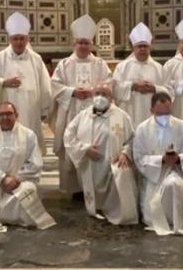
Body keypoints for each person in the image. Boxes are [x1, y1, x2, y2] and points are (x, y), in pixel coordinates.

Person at [51, 15, 113, 194]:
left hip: (96, 114)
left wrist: (94, 91)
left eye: (87, 43)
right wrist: (72, 92)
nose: (84, 46)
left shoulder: (100, 64)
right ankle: (74, 189)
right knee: (71, 145)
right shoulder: (64, 64)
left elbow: (108, 83)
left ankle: (94, 186)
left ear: (92, 45)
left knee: (94, 144)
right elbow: (55, 85)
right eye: (81, 43)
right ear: (74, 44)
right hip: (71, 112)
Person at [0, 101, 55, 231]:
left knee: (27, 191)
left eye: (9, 114)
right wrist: (3, 178)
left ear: (16, 115)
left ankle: (20, 219)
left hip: (22, 182)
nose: (5, 118)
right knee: (0, 201)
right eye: (1, 114)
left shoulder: (29, 135)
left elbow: (35, 162)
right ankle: (5, 216)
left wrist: (17, 179)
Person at [63, 93, 138, 224]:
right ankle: (95, 207)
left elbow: (132, 139)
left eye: (105, 94)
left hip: (112, 164)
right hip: (89, 164)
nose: (100, 97)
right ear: (92, 96)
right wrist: (84, 149)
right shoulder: (82, 115)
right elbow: (68, 135)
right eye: (97, 93)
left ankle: (113, 209)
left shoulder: (122, 116)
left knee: (121, 175)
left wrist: (125, 153)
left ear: (111, 97)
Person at [132, 90, 183, 236]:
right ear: (151, 110)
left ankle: (176, 219)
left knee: (173, 183)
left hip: (175, 170)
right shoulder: (142, 129)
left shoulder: (181, 126)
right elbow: (138, 157)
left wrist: (178, 158)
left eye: (167, 114)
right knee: (155, 203)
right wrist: (160, 160)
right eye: (160, 114)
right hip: (153, 175)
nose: (164, 118)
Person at [0, 12, 54, 147]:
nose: (19, 42)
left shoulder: (36, 59)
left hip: (31, 110)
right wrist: (3, 82)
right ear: (10, 39)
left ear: (27, 39)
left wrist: (43, 110)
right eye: (15, 38)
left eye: (22, 38)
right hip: (6, 114)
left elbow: (45, 86)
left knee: (29, 144)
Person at [112, 22, 163, 126]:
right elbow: (115, 89)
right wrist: (133, 86)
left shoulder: (158, 68)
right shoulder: (122, 67)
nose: (142, 49)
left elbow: (169, 91)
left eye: (145, 46)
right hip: (130, 112)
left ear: (150, 48)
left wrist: (154, 88)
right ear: (133, 48)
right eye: (139, 46)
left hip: (151, 114)